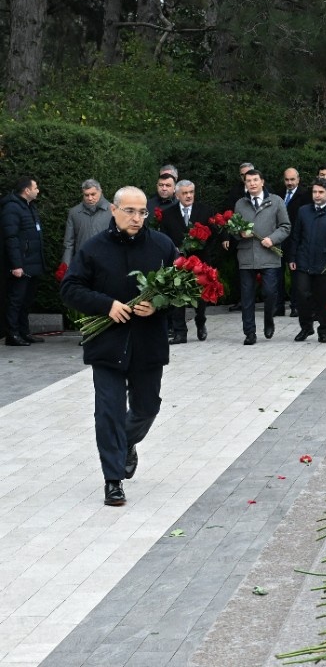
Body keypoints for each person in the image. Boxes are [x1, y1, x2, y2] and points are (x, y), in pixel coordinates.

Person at [60, 186, 176, 507]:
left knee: (147, 407)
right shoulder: (94, 249)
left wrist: (158, 305)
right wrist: (106, 305)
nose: (137, 218)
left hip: (148, 344)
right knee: (108, 413)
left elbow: (182, 292)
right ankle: (113, 480)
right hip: (107, 345)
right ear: (114, 210)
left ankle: (125, 443)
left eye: (142, 212)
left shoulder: (162, 246)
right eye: (130, 211)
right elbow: (70, 288)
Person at [231, 169, 290, 344]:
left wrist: (272, 239)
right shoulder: (240, 204)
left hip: (269, 255)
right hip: (247, 256)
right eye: (248, 181)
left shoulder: (276, 201)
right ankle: (249, 332)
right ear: (245, 184)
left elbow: (286, 226)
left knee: (271, 293)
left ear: (262, 182)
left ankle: (269, 319)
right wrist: (240, 233)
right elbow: (233, 228)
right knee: (247, 297)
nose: (252, 183)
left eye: (255, 180)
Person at [158, 179, 214, 342]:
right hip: (178, 262)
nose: (189, 196)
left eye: (191, 192)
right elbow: (164, 238)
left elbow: (213, 234)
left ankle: (200, 321)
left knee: (200, 297)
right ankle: (180, 332)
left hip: (200, 260)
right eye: (184, 193)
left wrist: (201, 244)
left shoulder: (205, 211)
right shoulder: (168, 214)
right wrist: (173, 250)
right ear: (177, 195)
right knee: (178, 295)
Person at [288, 179, 326, 343]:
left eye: (321, 192)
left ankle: (324, 329)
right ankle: (306, 327)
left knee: (324, 297)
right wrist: (292, 257)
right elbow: (296, 235)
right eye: (314, 192)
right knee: (302, 294)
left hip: (325, 262)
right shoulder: (303, 211)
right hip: (304, 260)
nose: (317, 195)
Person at [3, 176, 45, 345]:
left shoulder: (29, 207)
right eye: (36, 187)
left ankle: (24, 331)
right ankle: (12, 334)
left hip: (32, 263)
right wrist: (16, 265)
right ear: (27, 190)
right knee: (16, 300)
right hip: (22, 264)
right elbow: (10, 238)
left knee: (26, 300)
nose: (38, 190)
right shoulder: (12, 208)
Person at [276, 168, 311, 318]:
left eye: (292, 180)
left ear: (298, 179)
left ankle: (296, 306)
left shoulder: (306, 195)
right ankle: (278, 306)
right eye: (287, 180)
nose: (289, 183)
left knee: (296, 275)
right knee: (277, 275)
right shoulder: (278, 194)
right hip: (278, 240)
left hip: (296, 240)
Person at [63, 179, 113, 272]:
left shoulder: (113, 211)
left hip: (107, 264)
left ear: (100, 191)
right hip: (82, 264)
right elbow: (69, 243)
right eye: (86, 195)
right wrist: (65, 267)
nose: (90, 198)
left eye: (93, 194)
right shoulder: (74, 213)